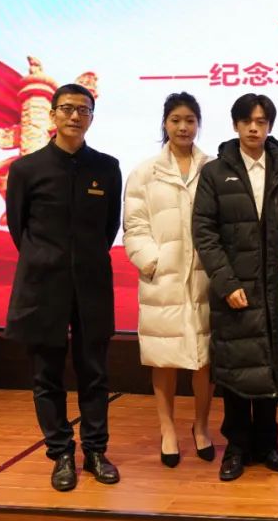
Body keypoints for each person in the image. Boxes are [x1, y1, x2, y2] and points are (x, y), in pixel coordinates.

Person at [4, 83, 122, 492]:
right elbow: (19, 229)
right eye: (67, 108)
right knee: (47, 376)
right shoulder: (27, 169)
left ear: (91, 117)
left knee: (95, 373)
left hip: (92, 283)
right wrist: (48, 259)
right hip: (43, 284)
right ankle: (60, 454)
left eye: (83, 110)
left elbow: (109, 227)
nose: (75, 116)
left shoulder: (106, 167)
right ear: (53, 114)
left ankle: (95, 451)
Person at [192, 93, 278, 482]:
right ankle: (236, 447)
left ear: (270, 126)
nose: (254, 128)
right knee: (236, 369)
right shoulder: (215, 172)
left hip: (275, 288)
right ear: (235, 124)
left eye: (262, 121)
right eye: (247, 121)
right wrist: (226, 282)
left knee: (269, 368)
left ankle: (268, 444)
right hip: (234, 288)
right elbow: (204, 232)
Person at [123, 92, 215, 468]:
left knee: (204, 359)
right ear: (165, 123)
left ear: (198, 124)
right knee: (163, 360)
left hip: (204, 279)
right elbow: (134, 225)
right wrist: (152, 262)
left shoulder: (212, 168)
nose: (183, 127)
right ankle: (167, 430)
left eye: (190, 120)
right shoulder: (145, 172)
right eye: (176, 119)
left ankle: (202, 427)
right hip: (162, 279)